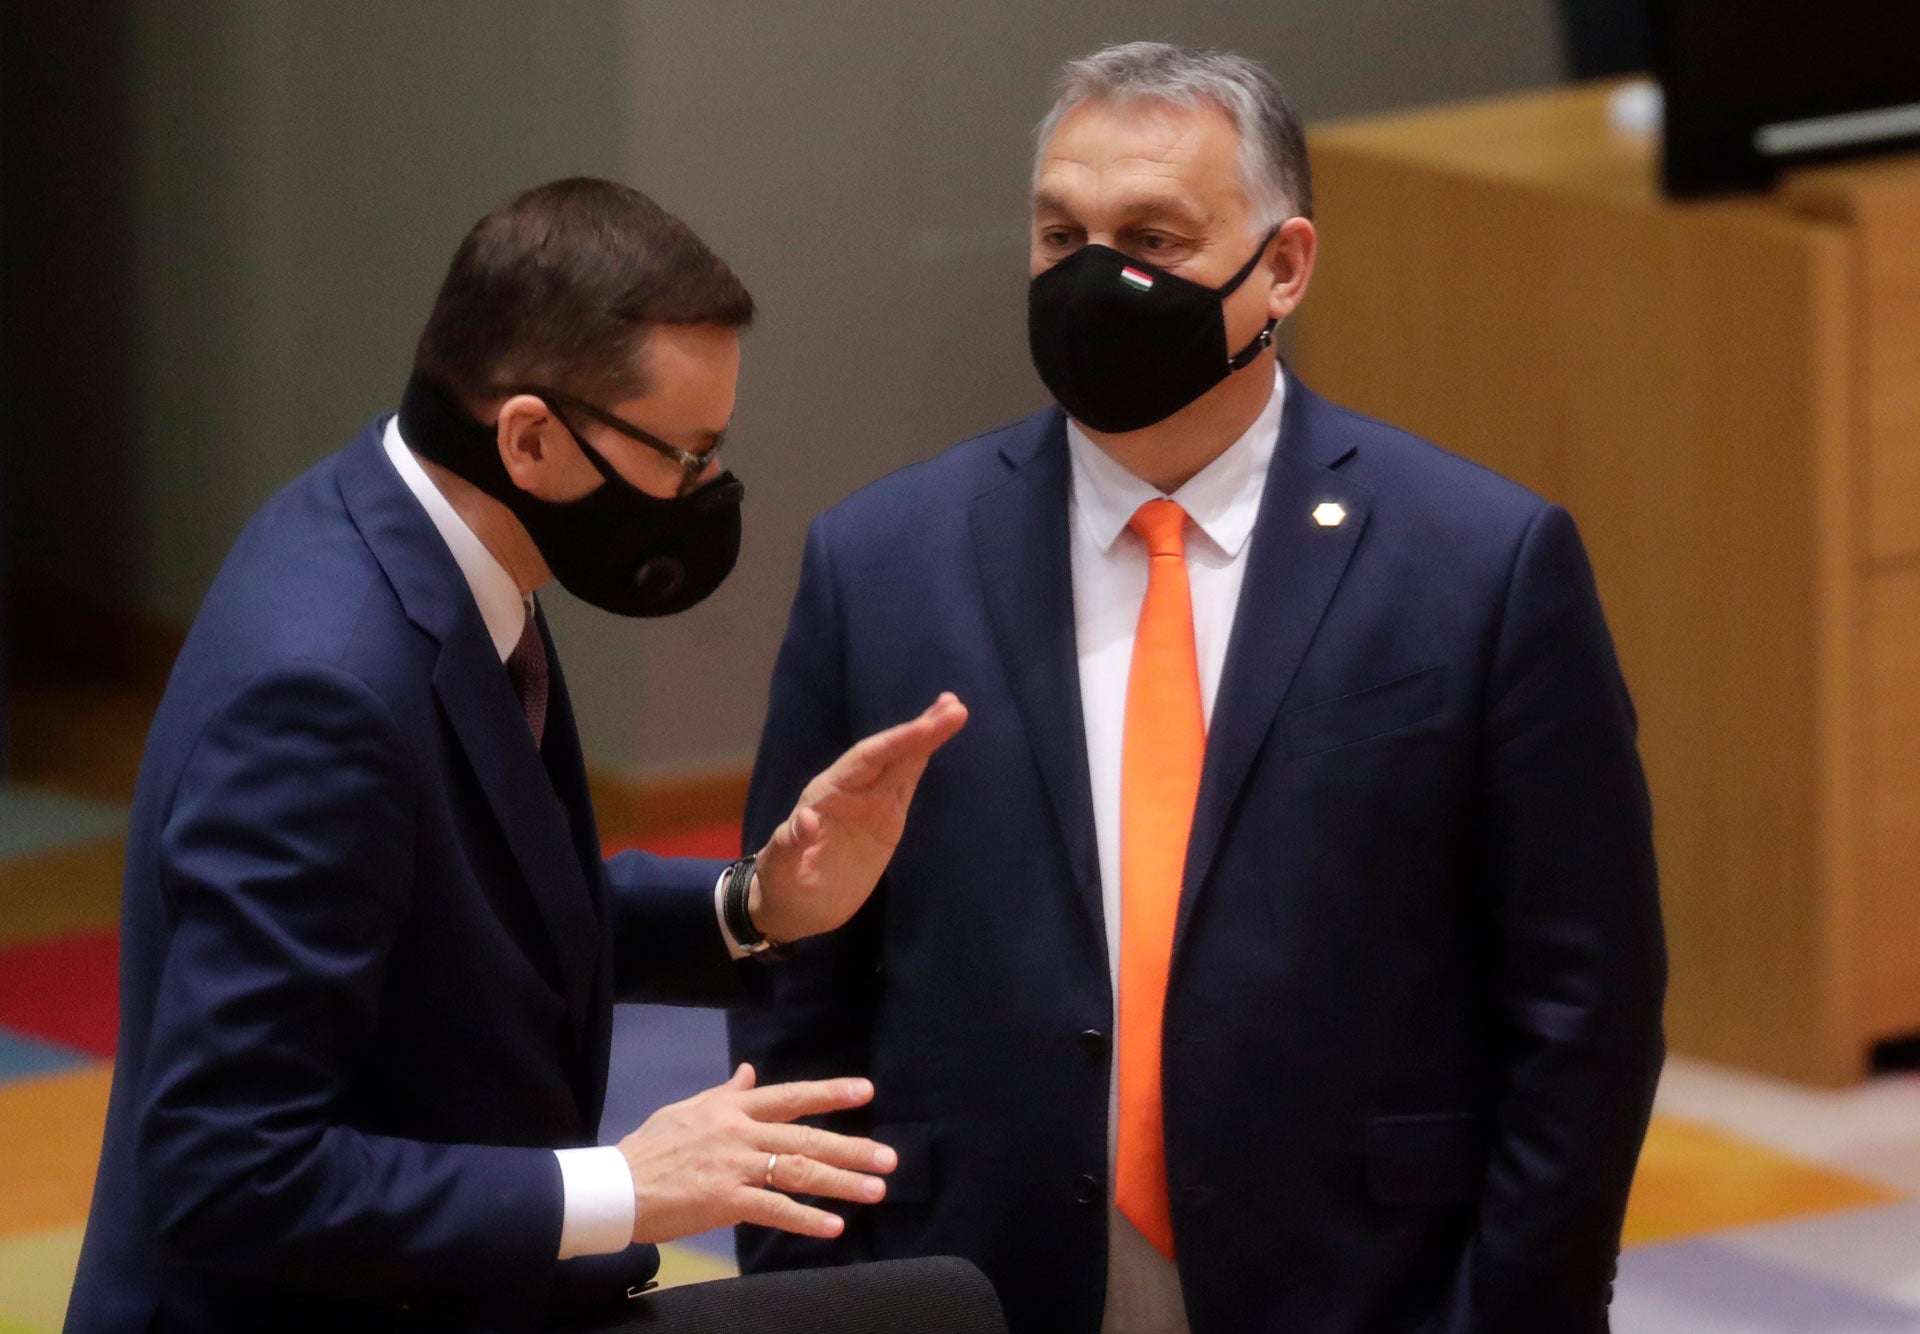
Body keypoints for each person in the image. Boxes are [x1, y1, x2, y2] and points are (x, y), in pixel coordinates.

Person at [730, 42, 1667, 1334]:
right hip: (974, 1269)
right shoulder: (880, 561)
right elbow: (795, 969)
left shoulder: (1482, 561)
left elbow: (1583, 998)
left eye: (1153, 239)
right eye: (1062, 235)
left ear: (1284, 266)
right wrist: (811, 1301)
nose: (1094, 276)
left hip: (1365, 1276)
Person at [65, 178, 968, 1333]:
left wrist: (757, 902)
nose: (706, 491)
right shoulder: (326, 689)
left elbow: (472, 911)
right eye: (686, 455)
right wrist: (626, 1186)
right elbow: (225, 1169)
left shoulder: (418, 533)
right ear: (531, 439)